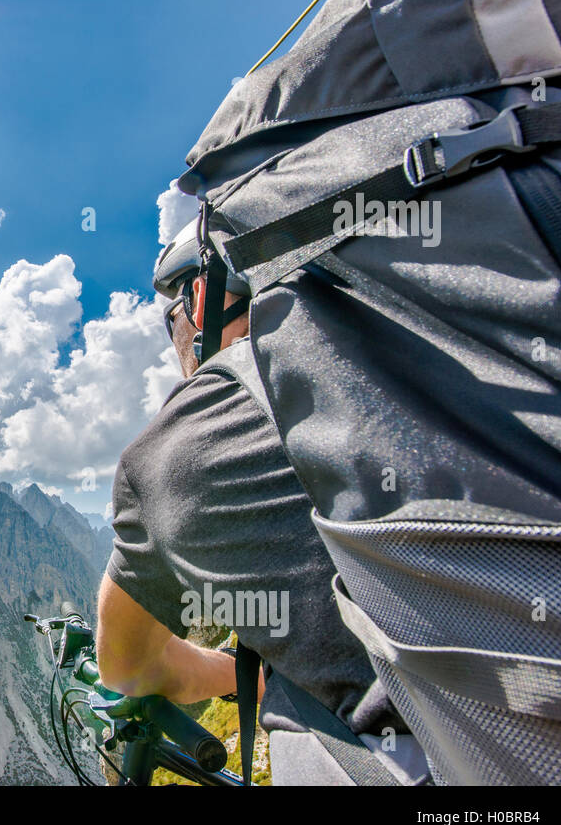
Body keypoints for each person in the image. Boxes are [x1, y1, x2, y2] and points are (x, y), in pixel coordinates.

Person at [95, 219, 428, 785]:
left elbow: (128, 668)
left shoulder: (181, 447)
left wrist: (241, 674)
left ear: (197, 301)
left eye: (168, 321)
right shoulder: (424, 349)